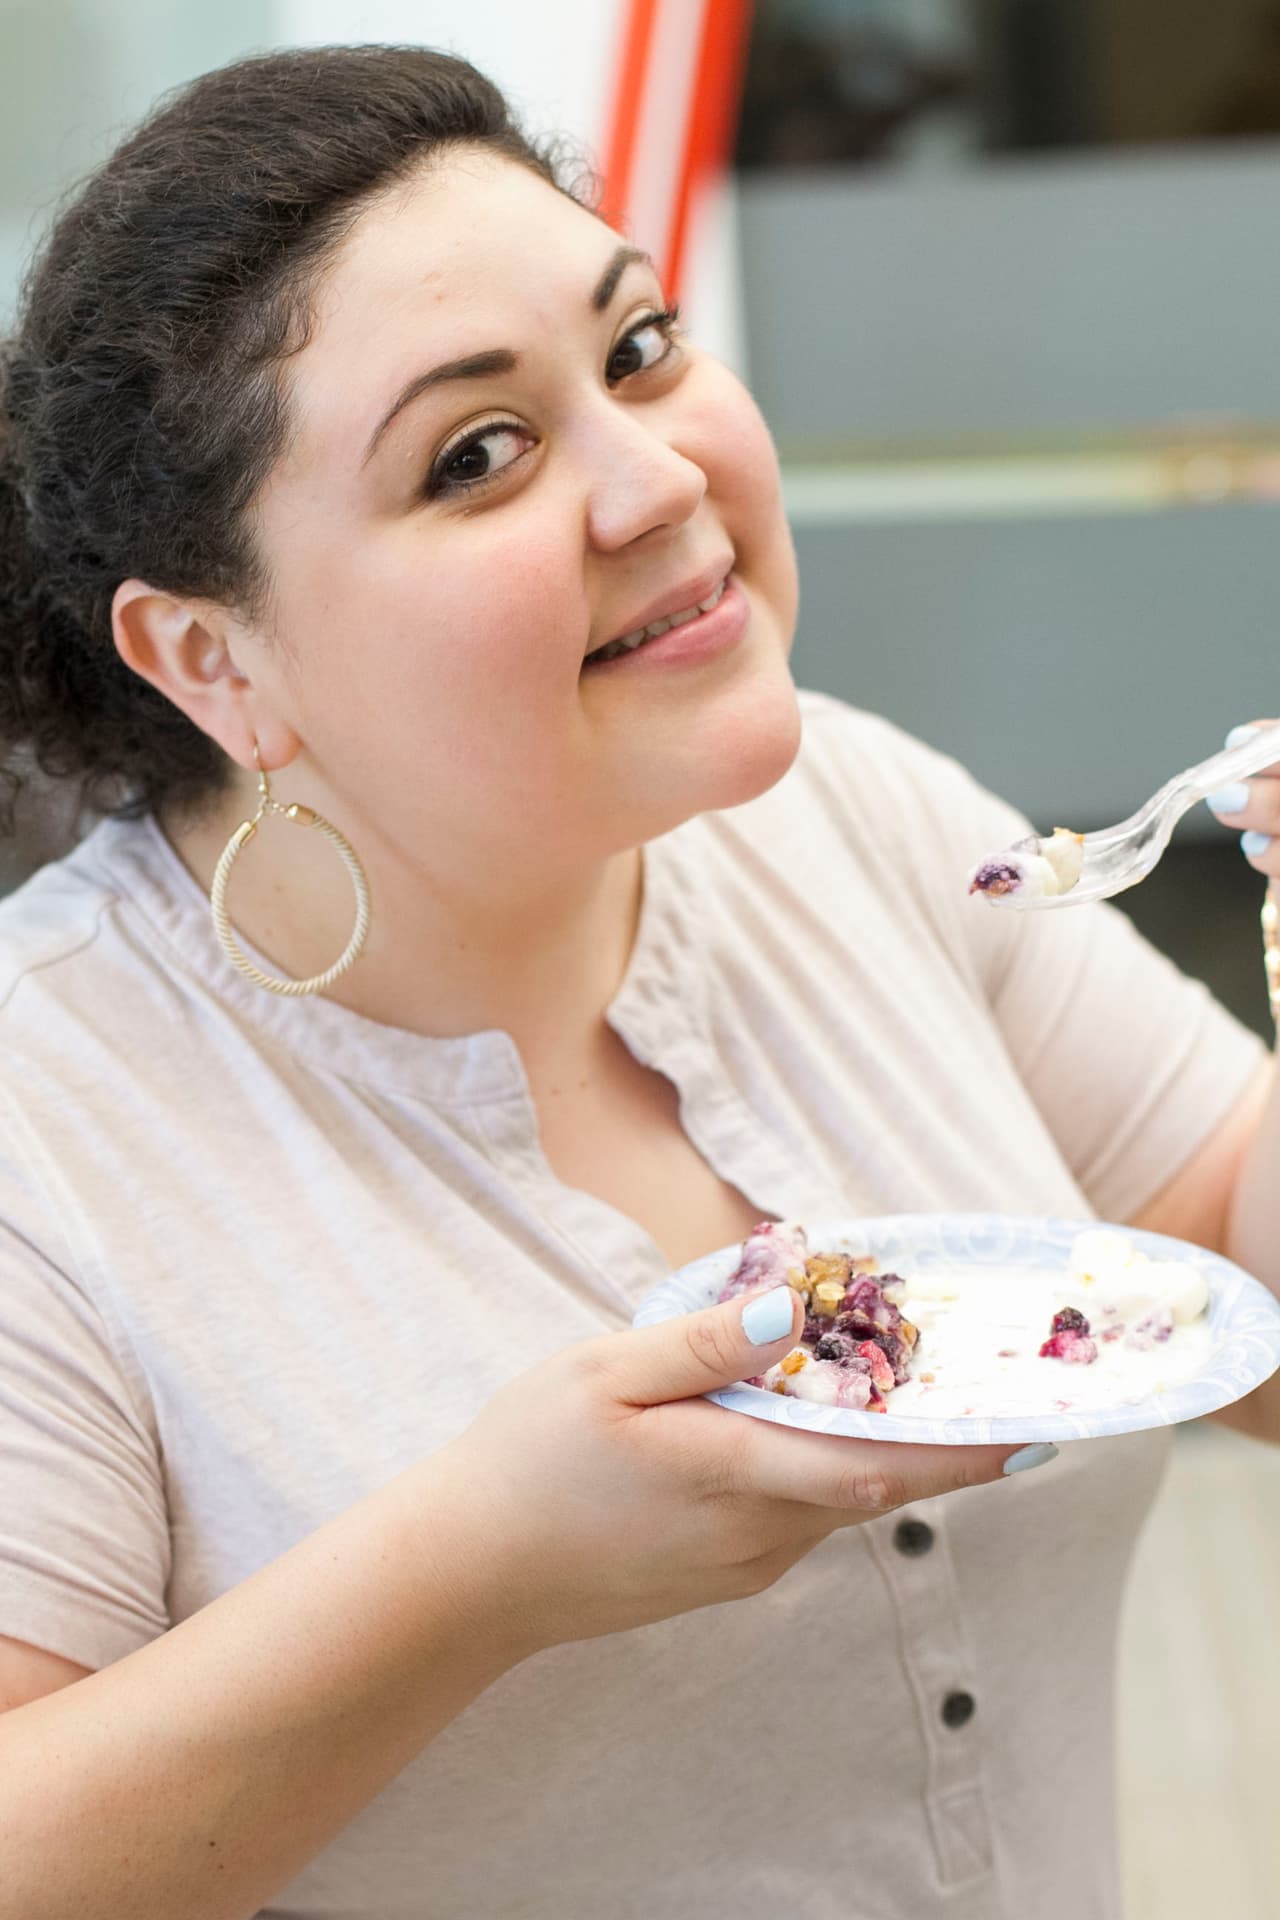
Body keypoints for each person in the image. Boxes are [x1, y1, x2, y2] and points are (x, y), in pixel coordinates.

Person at [0, 43, 1274, 1920]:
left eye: (641, 347)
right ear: (212, 657)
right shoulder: (51, 1127)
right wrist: (477, 1577)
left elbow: (1237, 1265)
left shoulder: (851, 806)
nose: (655, 473)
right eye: (476, 454)